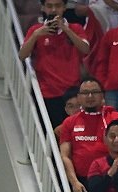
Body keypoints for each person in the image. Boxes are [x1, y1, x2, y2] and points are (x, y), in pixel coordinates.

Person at [19, 0, 91, 128]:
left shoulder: (75, 28)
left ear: (64, 7)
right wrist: (36, 35)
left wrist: (66, 30)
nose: (53, 10)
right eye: (49, 6)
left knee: (75, 132)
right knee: (53, 133)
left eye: (57, 6)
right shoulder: (35, 30)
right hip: (48, 93)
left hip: (72, 93)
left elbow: (85, 49)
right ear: (43, 8)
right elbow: (22, 55)